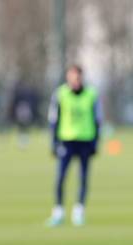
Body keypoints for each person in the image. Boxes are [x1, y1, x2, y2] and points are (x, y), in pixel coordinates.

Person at [46, 64, 102, 227]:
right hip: (67, 140)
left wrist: (96, 141)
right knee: (60, 178)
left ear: (82, 77)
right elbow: (53, 119)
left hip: (85, 140)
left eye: (78, 77)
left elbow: (98, 119)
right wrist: (53, 142)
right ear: (68, 77)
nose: (75, 80)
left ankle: (79, 211)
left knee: (83, 177)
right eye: (72, 77)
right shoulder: (60, 94)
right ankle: (58, 212)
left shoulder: (91, 94)